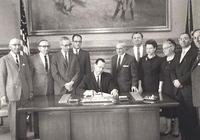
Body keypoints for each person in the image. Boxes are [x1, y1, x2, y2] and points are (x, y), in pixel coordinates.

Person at [0, 38, 33, 140]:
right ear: (10, 47)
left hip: (24, 93)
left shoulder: (24, 58)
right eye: (14, 45)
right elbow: (2, 78)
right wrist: (2, 95)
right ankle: (15, 138)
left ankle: (23, 137)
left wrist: (30, 90)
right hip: (12, 93)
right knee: (14, 118)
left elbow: (28, 76)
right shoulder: (4, 59)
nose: (17, 47)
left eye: (18, 45)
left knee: (23, 118)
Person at [171, 33, 199, 140]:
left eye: (185, 38)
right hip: (178, 91)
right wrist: (174, 80)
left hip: (189, 90)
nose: (183, 40)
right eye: (181, 39)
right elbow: (172, 70)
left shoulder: (195, 52)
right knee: (182, 117)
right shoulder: (177, 53)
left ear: (190, 40)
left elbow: (192, 71)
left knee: (191, 118)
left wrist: (181, 81)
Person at [29, 40, 54, 138]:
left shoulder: (53, 57)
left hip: (51, 89)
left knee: (50, 111)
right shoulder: (32, 59)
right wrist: (31, 90)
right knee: (37, 111)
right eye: (43, 46)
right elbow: (30, 76)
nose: (46, 48)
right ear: (39, 48)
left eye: (47, 46)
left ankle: (48, 131)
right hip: (38, 89)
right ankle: (37, 133)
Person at [160, 39, 179, 136]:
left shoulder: (178, 58)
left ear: (172, 48)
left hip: (176, 88)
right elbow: (161, 75)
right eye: (163, 49)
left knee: (175, 108)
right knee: (167, 108)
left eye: (166, 48)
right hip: (166, 88)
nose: (164, 50)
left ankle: (176, 129)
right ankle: (168, 128)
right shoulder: (163, 60)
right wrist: (160, 88)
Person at [191, 32, 200, 128]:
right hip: (197, 96)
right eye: (195, 38)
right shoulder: (196, 53)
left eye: (199, 37)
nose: (197, 40)